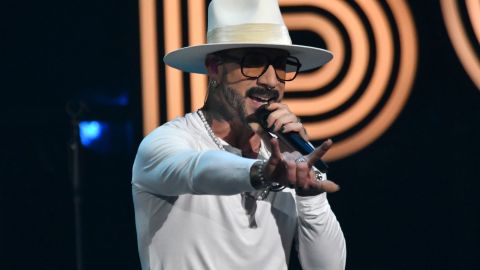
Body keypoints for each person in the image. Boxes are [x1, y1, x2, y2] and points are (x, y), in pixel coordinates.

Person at [132, 0, 346, 269]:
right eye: (254, 63)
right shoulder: (166, 143)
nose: (270, 81)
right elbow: (197, 170)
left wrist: (311, 194)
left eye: (281, 65)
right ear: (214, 67)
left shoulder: (290, 156)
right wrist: (262, 173)